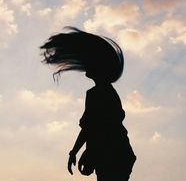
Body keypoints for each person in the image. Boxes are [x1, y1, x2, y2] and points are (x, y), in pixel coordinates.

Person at [40, 27, 136, 181]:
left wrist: (79, 151)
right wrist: (78, 151)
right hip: (115, 155)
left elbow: (93, 127)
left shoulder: (99, 94)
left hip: (113, 155)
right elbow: (92, 127)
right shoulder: (102, 92)